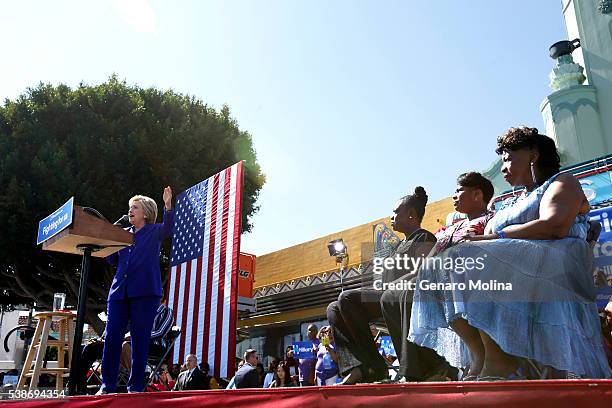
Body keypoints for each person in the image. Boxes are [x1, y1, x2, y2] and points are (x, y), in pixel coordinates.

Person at [409, 126, 612, 380]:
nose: (504, 167)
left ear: (532, 155)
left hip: (556, 266)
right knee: (433, 269)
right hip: (520, 267)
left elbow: (555, 225)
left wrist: (497, 236)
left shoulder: (562, 182)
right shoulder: (513, 200)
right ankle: (480, 353)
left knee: (469, 257)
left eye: (507, 159)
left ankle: (500, 358)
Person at [380, 173, 494, 382]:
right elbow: (427, 264)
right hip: (443, 280)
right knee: (393, 295)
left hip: (472, 278)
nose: (454, 196)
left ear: (478, 194)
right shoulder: (450, 230)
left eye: (459, 191)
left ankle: (423, 369)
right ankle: (470, 359)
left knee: (407, 292)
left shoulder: (491, 219)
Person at [327, 187, 437, 384]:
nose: (392, 216)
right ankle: (362, 367)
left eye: (396, 212)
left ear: (411, 214)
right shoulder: (396, 247)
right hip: (386, 297)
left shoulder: (424, 237)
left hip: (404, 299)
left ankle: (381, 368)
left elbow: (420, 273)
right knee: (334, 308)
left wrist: (387, 289)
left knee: (347, 298)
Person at [99, 187, 174, 394]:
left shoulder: (154, 231)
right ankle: (107, 386)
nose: (130, 211)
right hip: (119, 294)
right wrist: (110, 236)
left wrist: (168, 206)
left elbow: (168, 228)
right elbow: (110, 259)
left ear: (146, 213)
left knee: (140, 340)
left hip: (145, 293)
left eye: (135, 207)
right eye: (130, 208)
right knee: (112, 338)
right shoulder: (122, 234)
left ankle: (136, 387)